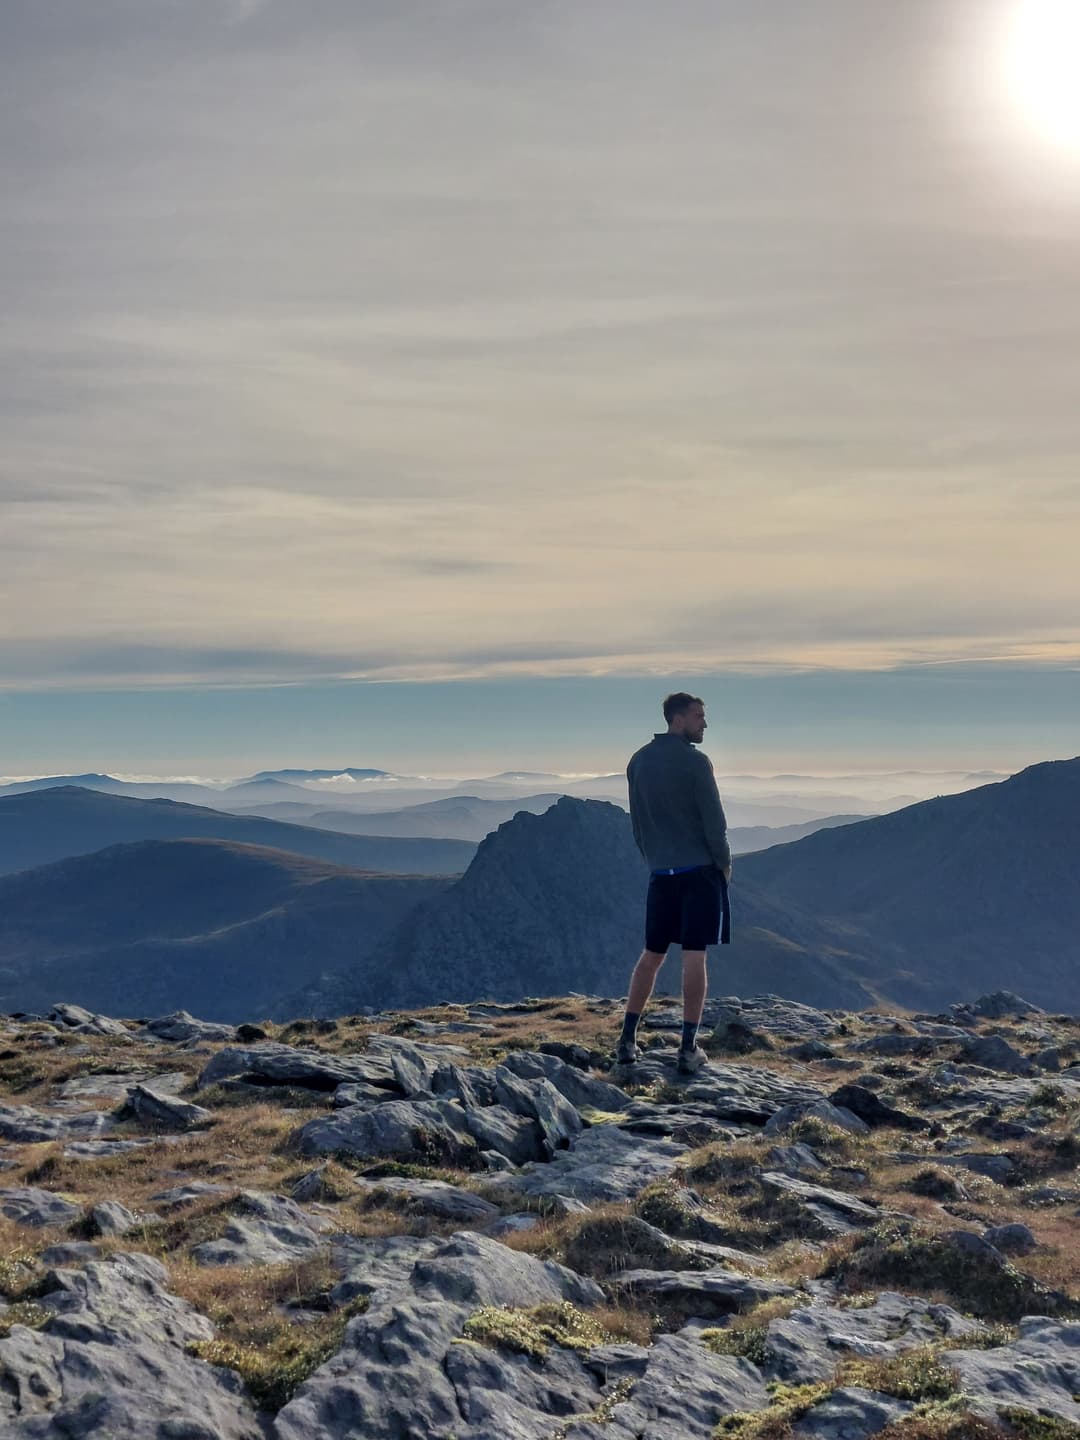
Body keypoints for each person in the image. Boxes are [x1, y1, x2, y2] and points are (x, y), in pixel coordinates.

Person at [617, 692, 732, 1074]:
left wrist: (654, 859)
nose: (704, 723)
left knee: (651, 955)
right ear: (678, 719)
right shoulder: (696, 763)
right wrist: (723, 864)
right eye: (699, 716)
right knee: (694, 956)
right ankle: (687, 1048)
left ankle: (627, 1042)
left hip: (660, 872)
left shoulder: (638, 761)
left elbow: (638, 823)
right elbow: (714, 823)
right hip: (698, 872)